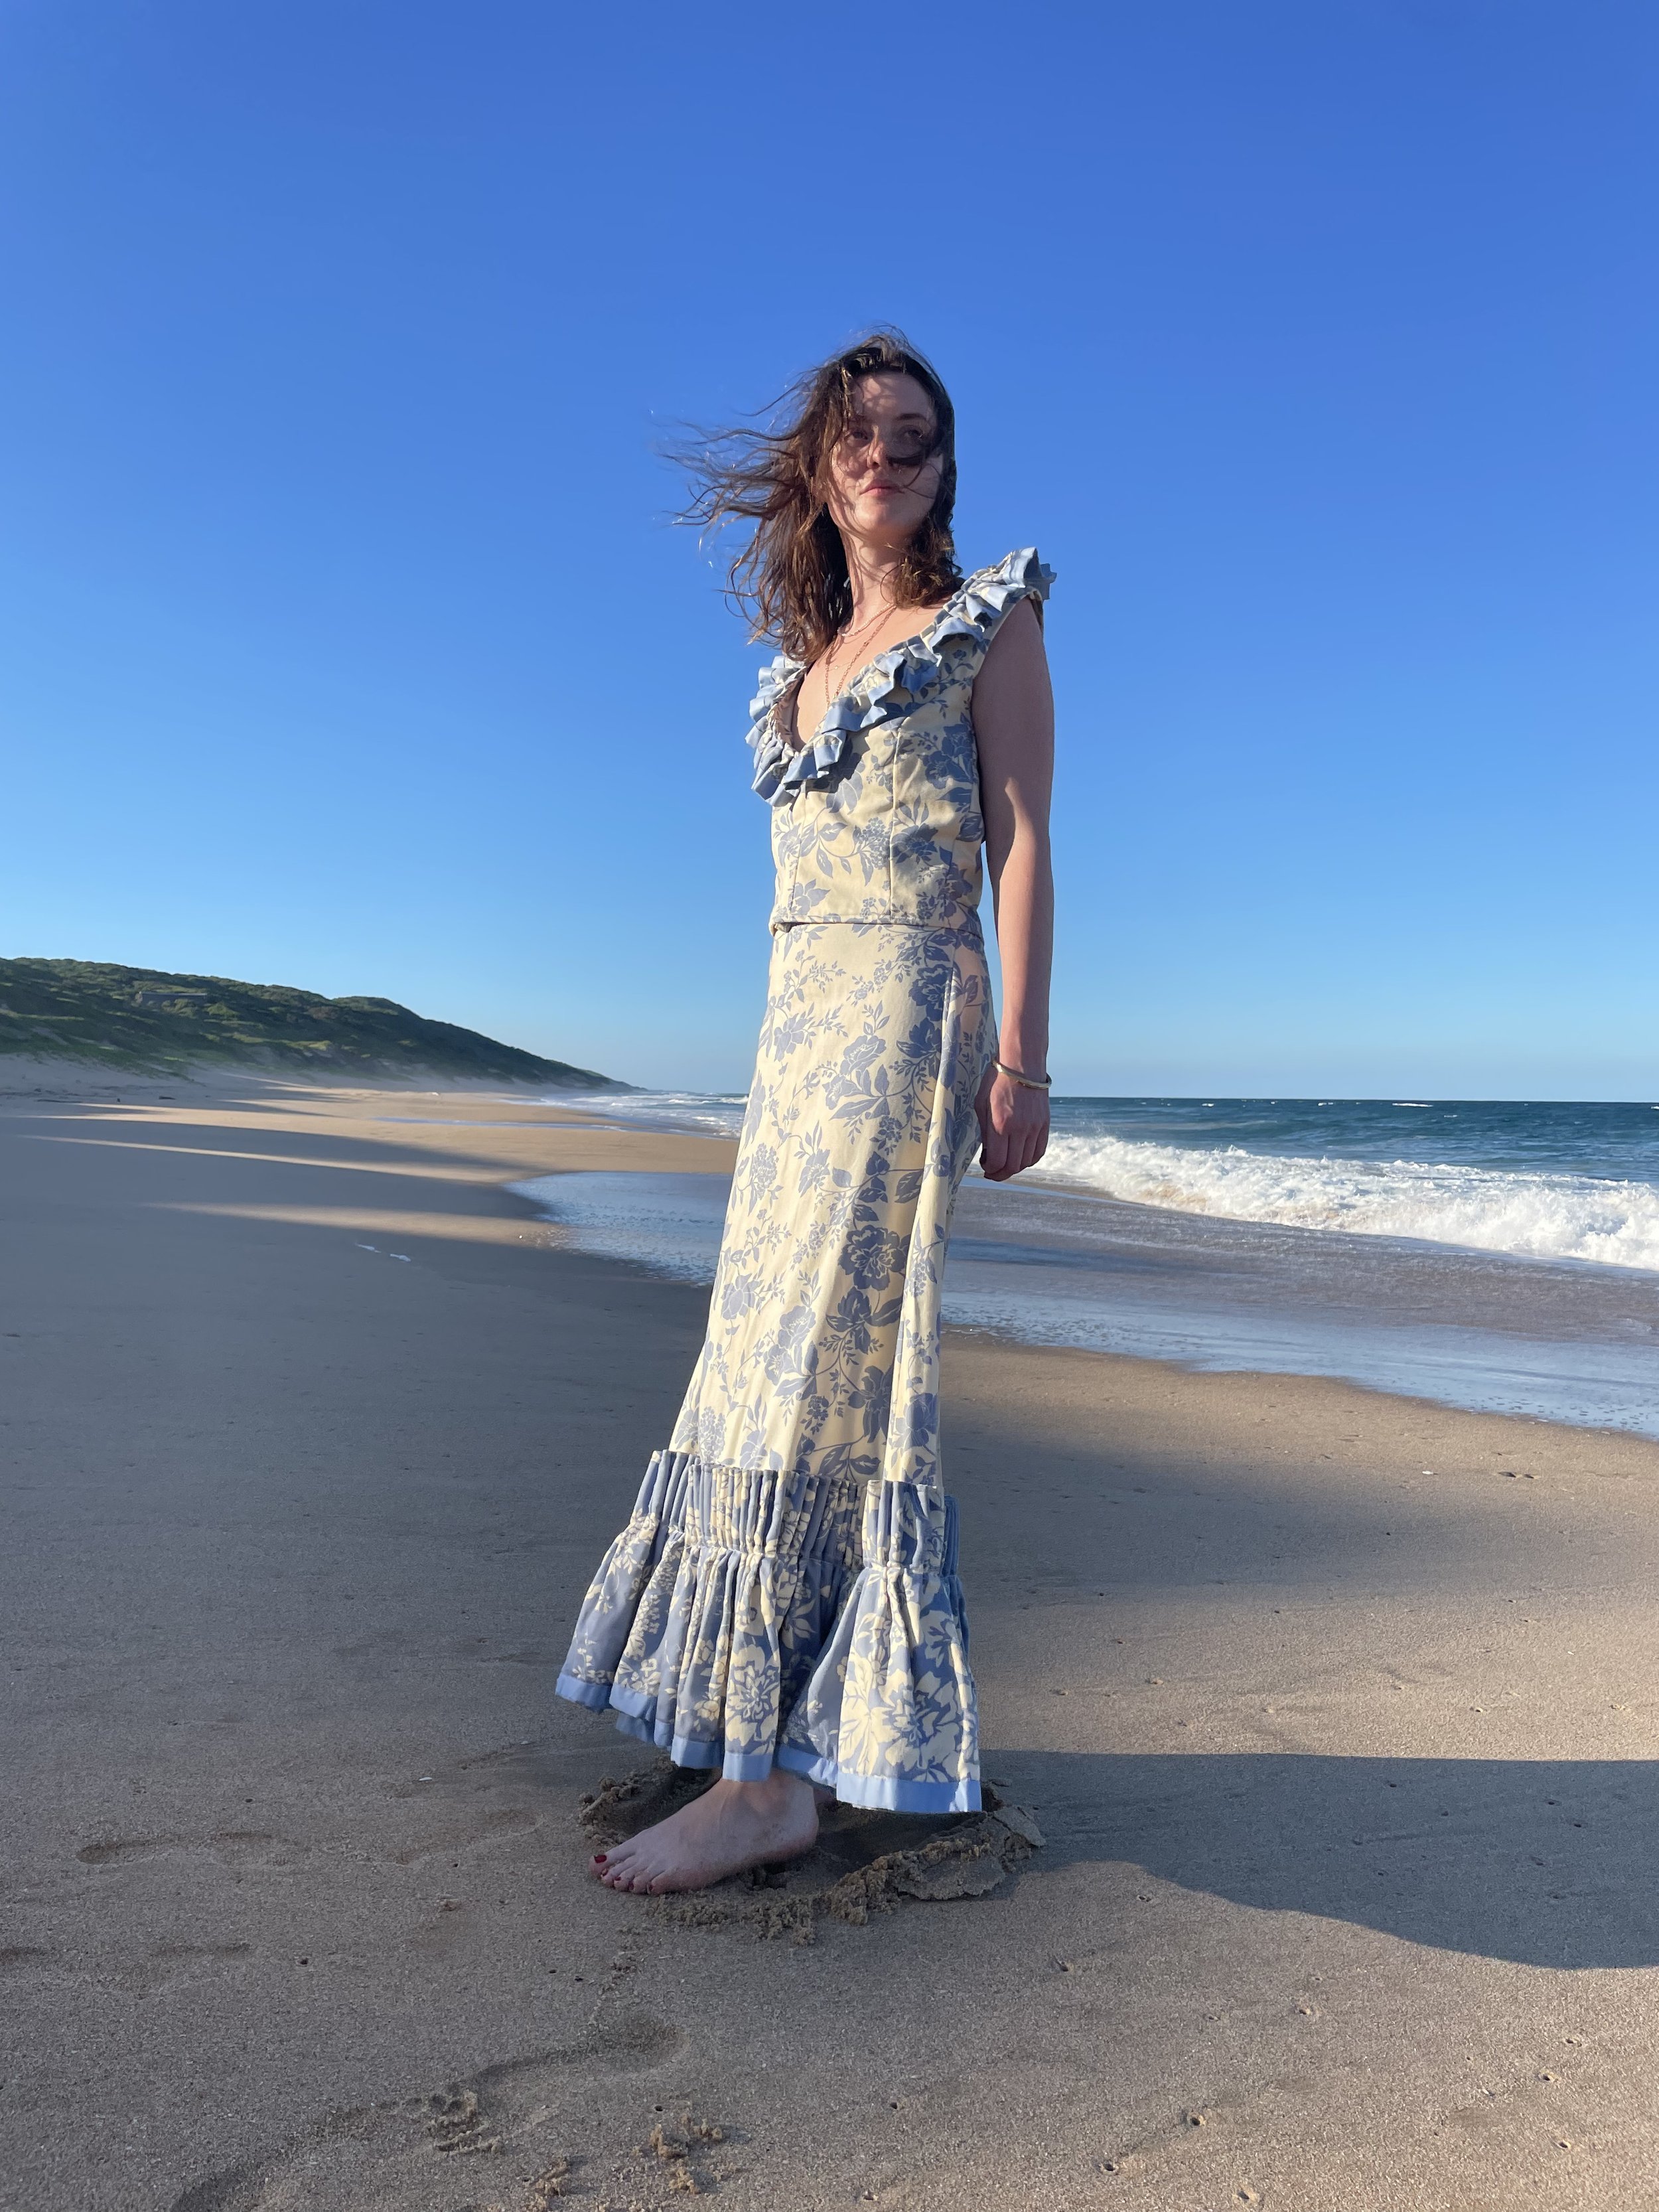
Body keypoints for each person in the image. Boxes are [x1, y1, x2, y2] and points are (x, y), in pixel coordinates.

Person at [555, 331, 1055, 1894]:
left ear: (943, 469)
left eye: (913, 437)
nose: (883, 457)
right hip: (793, 1037)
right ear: (820, 467)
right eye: (858, 435)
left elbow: (1022, 846)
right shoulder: (796, 676)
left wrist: (1020, 1058)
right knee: (759, 1361)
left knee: (829, 1374)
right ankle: (766, 1730)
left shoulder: (988, 623)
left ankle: (762, 1783)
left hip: (906, 1014)